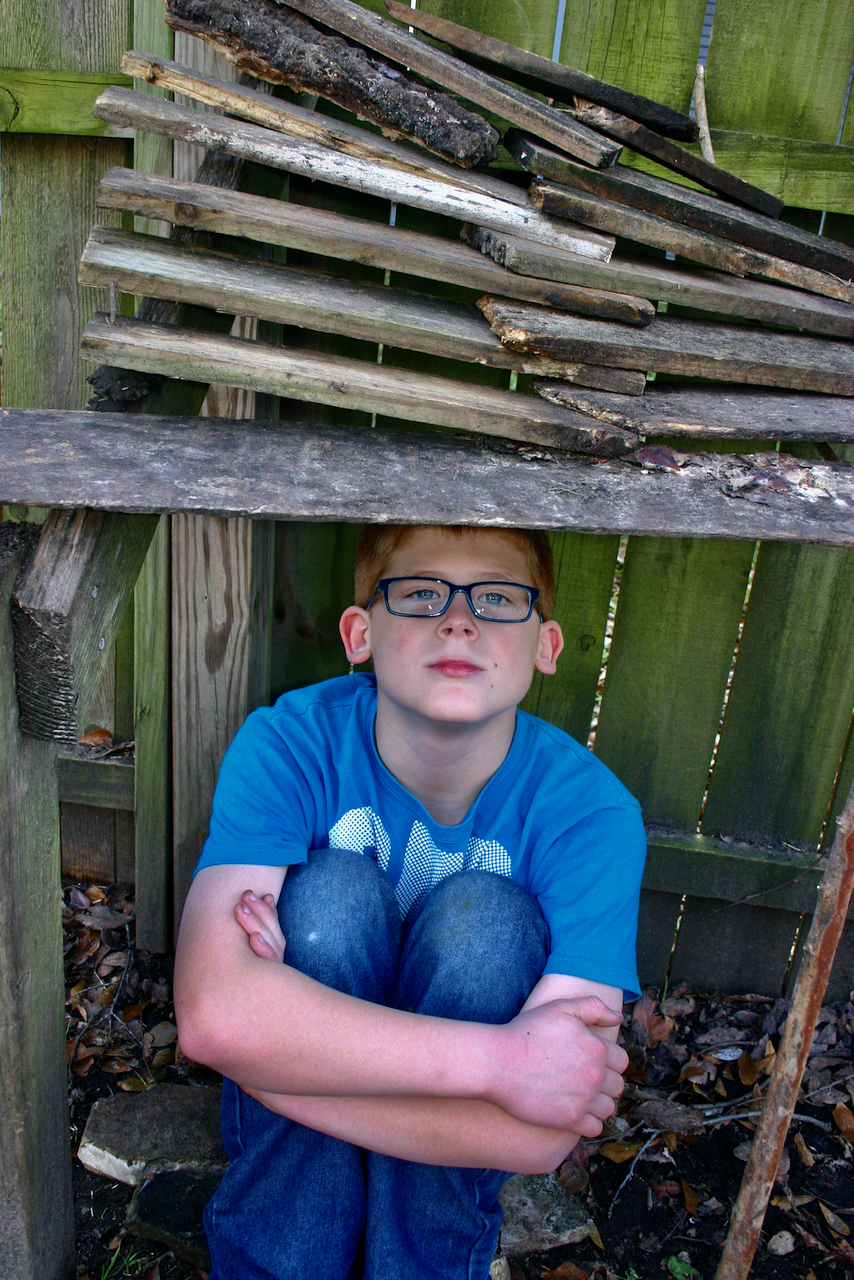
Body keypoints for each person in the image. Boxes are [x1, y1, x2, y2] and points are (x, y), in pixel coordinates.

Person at [174, 523, 646, 1280]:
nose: (458, 620)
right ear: (359, 634)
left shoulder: (590, 815)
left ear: (546, 644)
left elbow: (541, 1135)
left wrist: (272, 1060)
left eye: (498, 598)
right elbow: (211, 1014)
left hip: (430, 1199)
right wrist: (502, 1064)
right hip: (301, 1194)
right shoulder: (290, 745)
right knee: (329, 899)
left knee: (487, 925)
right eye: (421, 593)